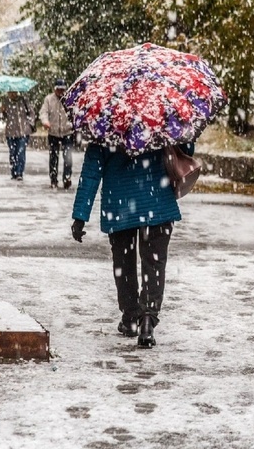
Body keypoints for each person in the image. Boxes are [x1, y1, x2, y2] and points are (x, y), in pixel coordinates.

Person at [70, 141, 194, 348]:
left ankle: (130, 316)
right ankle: (147, 319)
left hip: (119, 204)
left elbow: (92, 171)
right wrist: (183, 135)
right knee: (154, 263)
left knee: (124, 262)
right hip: (157, 200)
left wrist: (80, 216)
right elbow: (185, 152)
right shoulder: (159, 116)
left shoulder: (103, 121)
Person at [39, 79, 75, 189]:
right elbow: (43, 112)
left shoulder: (69, 99)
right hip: (53, 132)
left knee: (68, 157)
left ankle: (67, 178)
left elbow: (75, 113)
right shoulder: (49, 99)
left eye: (62, 89)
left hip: (67, 132)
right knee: (53, 157)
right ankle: (53, 179)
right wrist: (45, 121)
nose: (60, 91)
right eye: (58, 89)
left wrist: (73, 124)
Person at [0, 90, 35, 181]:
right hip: (10, 132)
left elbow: (32, 113)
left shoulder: (23, 101)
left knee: (21, 153)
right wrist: (2, 112)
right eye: (10, 93)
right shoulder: (6, 102)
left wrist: (29, 124)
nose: (11, 94)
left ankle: (19, 173)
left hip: (23, 132)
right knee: (12, 153)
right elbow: (2, 118)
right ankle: (14, 172)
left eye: (13, 92)